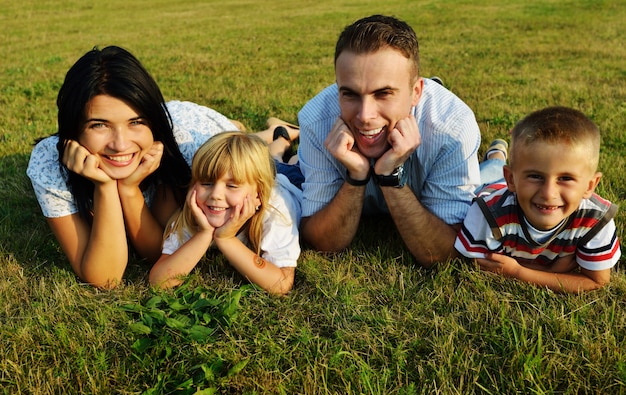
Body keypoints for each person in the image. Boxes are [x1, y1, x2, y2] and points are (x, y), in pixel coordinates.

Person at [26, 45, 298, 289]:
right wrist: (107, 186)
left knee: (268, 159)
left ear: (152, 122)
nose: (120, 145)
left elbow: (160, 249)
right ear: (74, 127)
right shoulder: (49, 162)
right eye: (99, 124)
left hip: (207, 131)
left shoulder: (192, 151)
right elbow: (105, 278)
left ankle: (275, 136)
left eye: (136, 122)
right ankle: (273, 133)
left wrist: (129, 189)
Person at [296, 14, 487, 267]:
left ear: (416, 92)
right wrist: (356, 176)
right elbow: (322, 242)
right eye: (350, 94)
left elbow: (443, 254)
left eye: (383, 93)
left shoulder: (451, 127)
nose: (365, 116)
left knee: (492, 176)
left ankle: (495, 155)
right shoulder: (315, 121)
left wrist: (390, 176)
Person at [455, 106, 621, 293]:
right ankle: (496, 155)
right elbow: (485, 266)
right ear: (512, 179)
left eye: (565, 178)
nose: (549, 193)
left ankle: (499, 156)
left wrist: (518, 271)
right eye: (535, 176)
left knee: (497, 166)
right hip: (492, 186)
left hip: (513, 186)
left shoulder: (596, 220)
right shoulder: (487, 213)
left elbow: (597, 281)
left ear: (590, 186)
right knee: (488, 170)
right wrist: (555, 271)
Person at [149, 132, 302, 295]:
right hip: (257, 172)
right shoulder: (197, 209)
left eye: (232, 186)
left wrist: (226, 239)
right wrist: (204, 233)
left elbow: (280, 284)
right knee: (273, 159)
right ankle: (279, 135)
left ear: (259, 193)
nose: (215, 194)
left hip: (293, 180)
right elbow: (159, 280)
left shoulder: (275, 209)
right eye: (207, 183)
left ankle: (282, 140)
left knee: (287, 162)